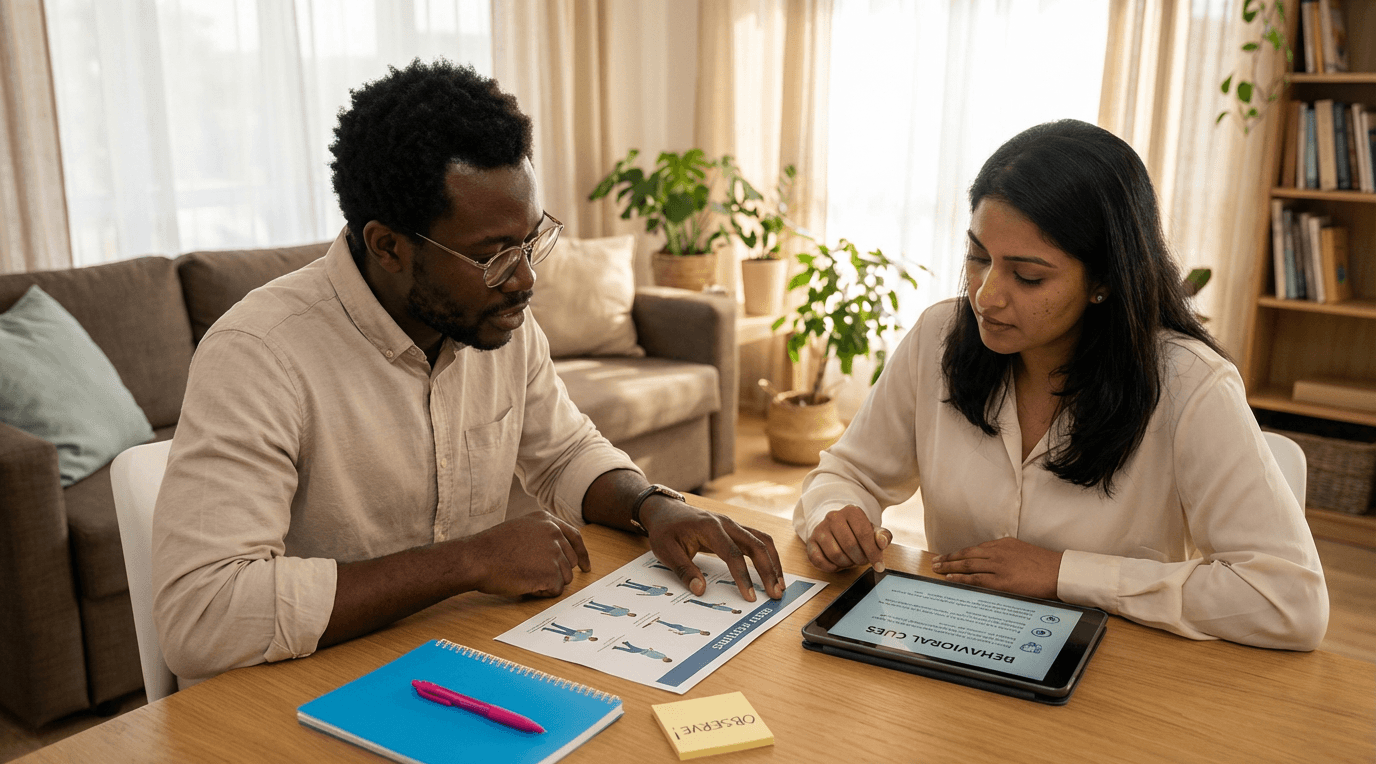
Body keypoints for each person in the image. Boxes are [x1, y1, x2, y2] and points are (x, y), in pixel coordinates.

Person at [152, 59, 784, 681]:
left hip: (458, 658)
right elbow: (202, 617)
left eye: (531, 240)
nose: (526, 278)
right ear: (387, 245)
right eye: (493, 255)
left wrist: (651, 505)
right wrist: (469, 562)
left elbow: (564, 452)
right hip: (300, 688)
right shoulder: (259, 354)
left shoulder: (494, 323)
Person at [793, 119, 1328, 651]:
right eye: (979, 258)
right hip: (954, 649)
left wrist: (1063, 575)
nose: (986, 296)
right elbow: (850, 472)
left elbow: (1288, 599)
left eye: (1027, 276)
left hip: (1117, 674)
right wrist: (835, 513)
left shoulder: (1189, 383)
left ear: (1104, 280)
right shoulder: (940, 336)